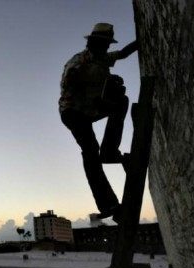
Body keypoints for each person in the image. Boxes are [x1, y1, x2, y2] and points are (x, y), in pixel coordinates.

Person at [59, 23, 137, 221]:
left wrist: (141, 42)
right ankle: (108, 204)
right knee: (90, 151)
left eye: (107, 46)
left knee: (121, 101)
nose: (106, 49)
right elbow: (69, 86)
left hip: (91, 109)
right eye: (103, 45)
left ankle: (110, 150)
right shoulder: (77, 64)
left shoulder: (103, 57)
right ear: (93, 43)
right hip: (73, 112)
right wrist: (98, 89)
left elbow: (123, 54)